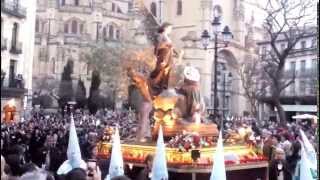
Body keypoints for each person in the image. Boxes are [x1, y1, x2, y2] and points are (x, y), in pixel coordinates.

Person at [150, 22, 182, 95]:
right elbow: (157, 46)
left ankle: (163, 85)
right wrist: (166, 45)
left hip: (169, 57)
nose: (171, 30)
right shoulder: (160, 36)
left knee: (167, 72)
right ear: (165, 28)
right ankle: (157, 84)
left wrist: (177, 53)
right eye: (170, 28)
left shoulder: (167, 37)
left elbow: (171, 47)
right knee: (161, 69)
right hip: (163, 56)